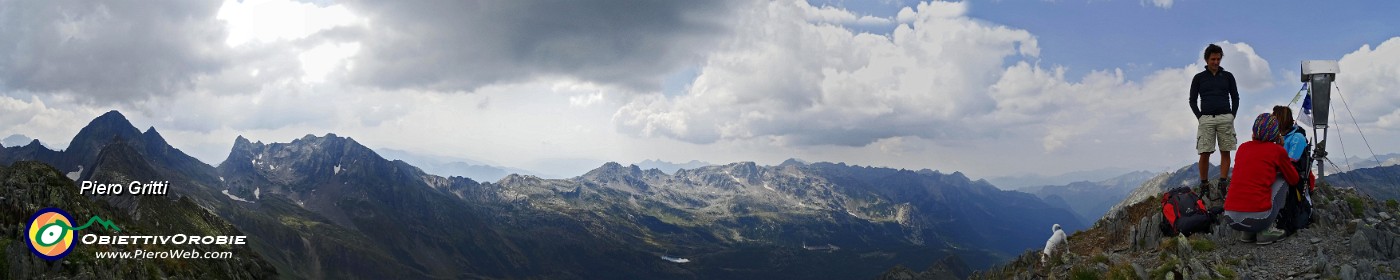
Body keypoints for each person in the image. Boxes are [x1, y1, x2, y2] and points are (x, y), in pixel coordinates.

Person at [1224, 113, 1300, 245]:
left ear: (1254, 130)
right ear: (1276, 133)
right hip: (1259, 219)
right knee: (1283, 178)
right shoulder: (1277, 150)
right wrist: (1281, 148)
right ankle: (1266, 230)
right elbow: (1294, 179)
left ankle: (1247, 234)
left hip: (1230, 218)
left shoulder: (1242, 148)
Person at [1190, 44, 1241, 200]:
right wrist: (1200, 117)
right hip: (1206, 119)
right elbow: (1192, 100)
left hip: (1225, 117)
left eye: (1218, 59)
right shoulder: (1199, 78)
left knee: (1225, 151)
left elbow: (1235, 97)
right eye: (1213, 59)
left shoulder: (1228, 76)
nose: (1216, 62)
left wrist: (1232, 115)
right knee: (1204, 152)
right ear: (1207, 59)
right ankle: (1204, 185)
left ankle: (1223, 183)